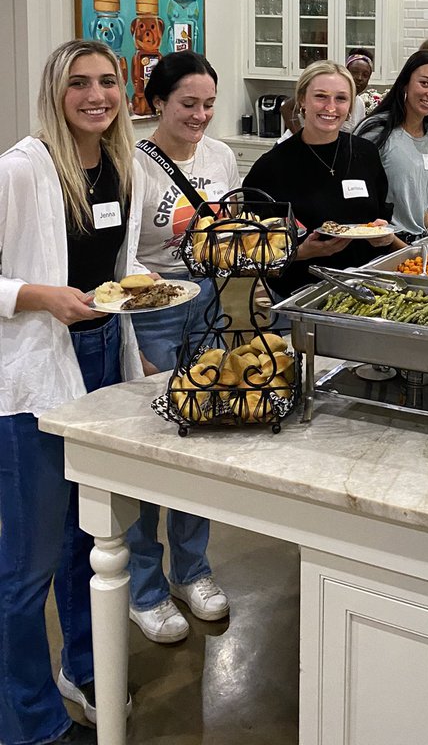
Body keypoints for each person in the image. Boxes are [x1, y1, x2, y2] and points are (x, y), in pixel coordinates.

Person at [0, 40, 145, 745]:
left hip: (102, 359)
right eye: (79, 83)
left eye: (108, 82)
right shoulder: (22, 171)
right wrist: (36, 296)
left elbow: (125, 264)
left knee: (89, 533)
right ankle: (24, 714)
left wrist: (143, 289)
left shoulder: (125, 165)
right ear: (55, 93)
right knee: (25, 562)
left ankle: (86, 666)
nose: (96, 95)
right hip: (31, 379)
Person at [126, 52, 238, 644]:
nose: (199, 115)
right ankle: (144, 588)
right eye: (187, 104)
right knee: (152, 447)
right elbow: (122, 261)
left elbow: (230, 228)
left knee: (202, 434)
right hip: (153, 311)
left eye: (207, 104)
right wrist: (134, 344)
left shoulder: (220, 155)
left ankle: (191, 569)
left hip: (212, 302)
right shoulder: (134, 163)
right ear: (158, 103)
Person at [245, 61, 394, 295]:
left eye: (341, 98)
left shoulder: (365, 153)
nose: (331, 107)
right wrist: (303, 252)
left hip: (364, 289)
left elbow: (380, 213)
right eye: (321, 96)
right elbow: (253, 249)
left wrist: (381, 234)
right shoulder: (272, 166)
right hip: (299, 293)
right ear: (302, 100)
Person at [355, 50, 428, 240]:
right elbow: (356, 203)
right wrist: (401, 248)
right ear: (405, 83)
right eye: (425, 83)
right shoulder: (376, 131)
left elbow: (417, 207)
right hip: (379, 245)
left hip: (415, 243)